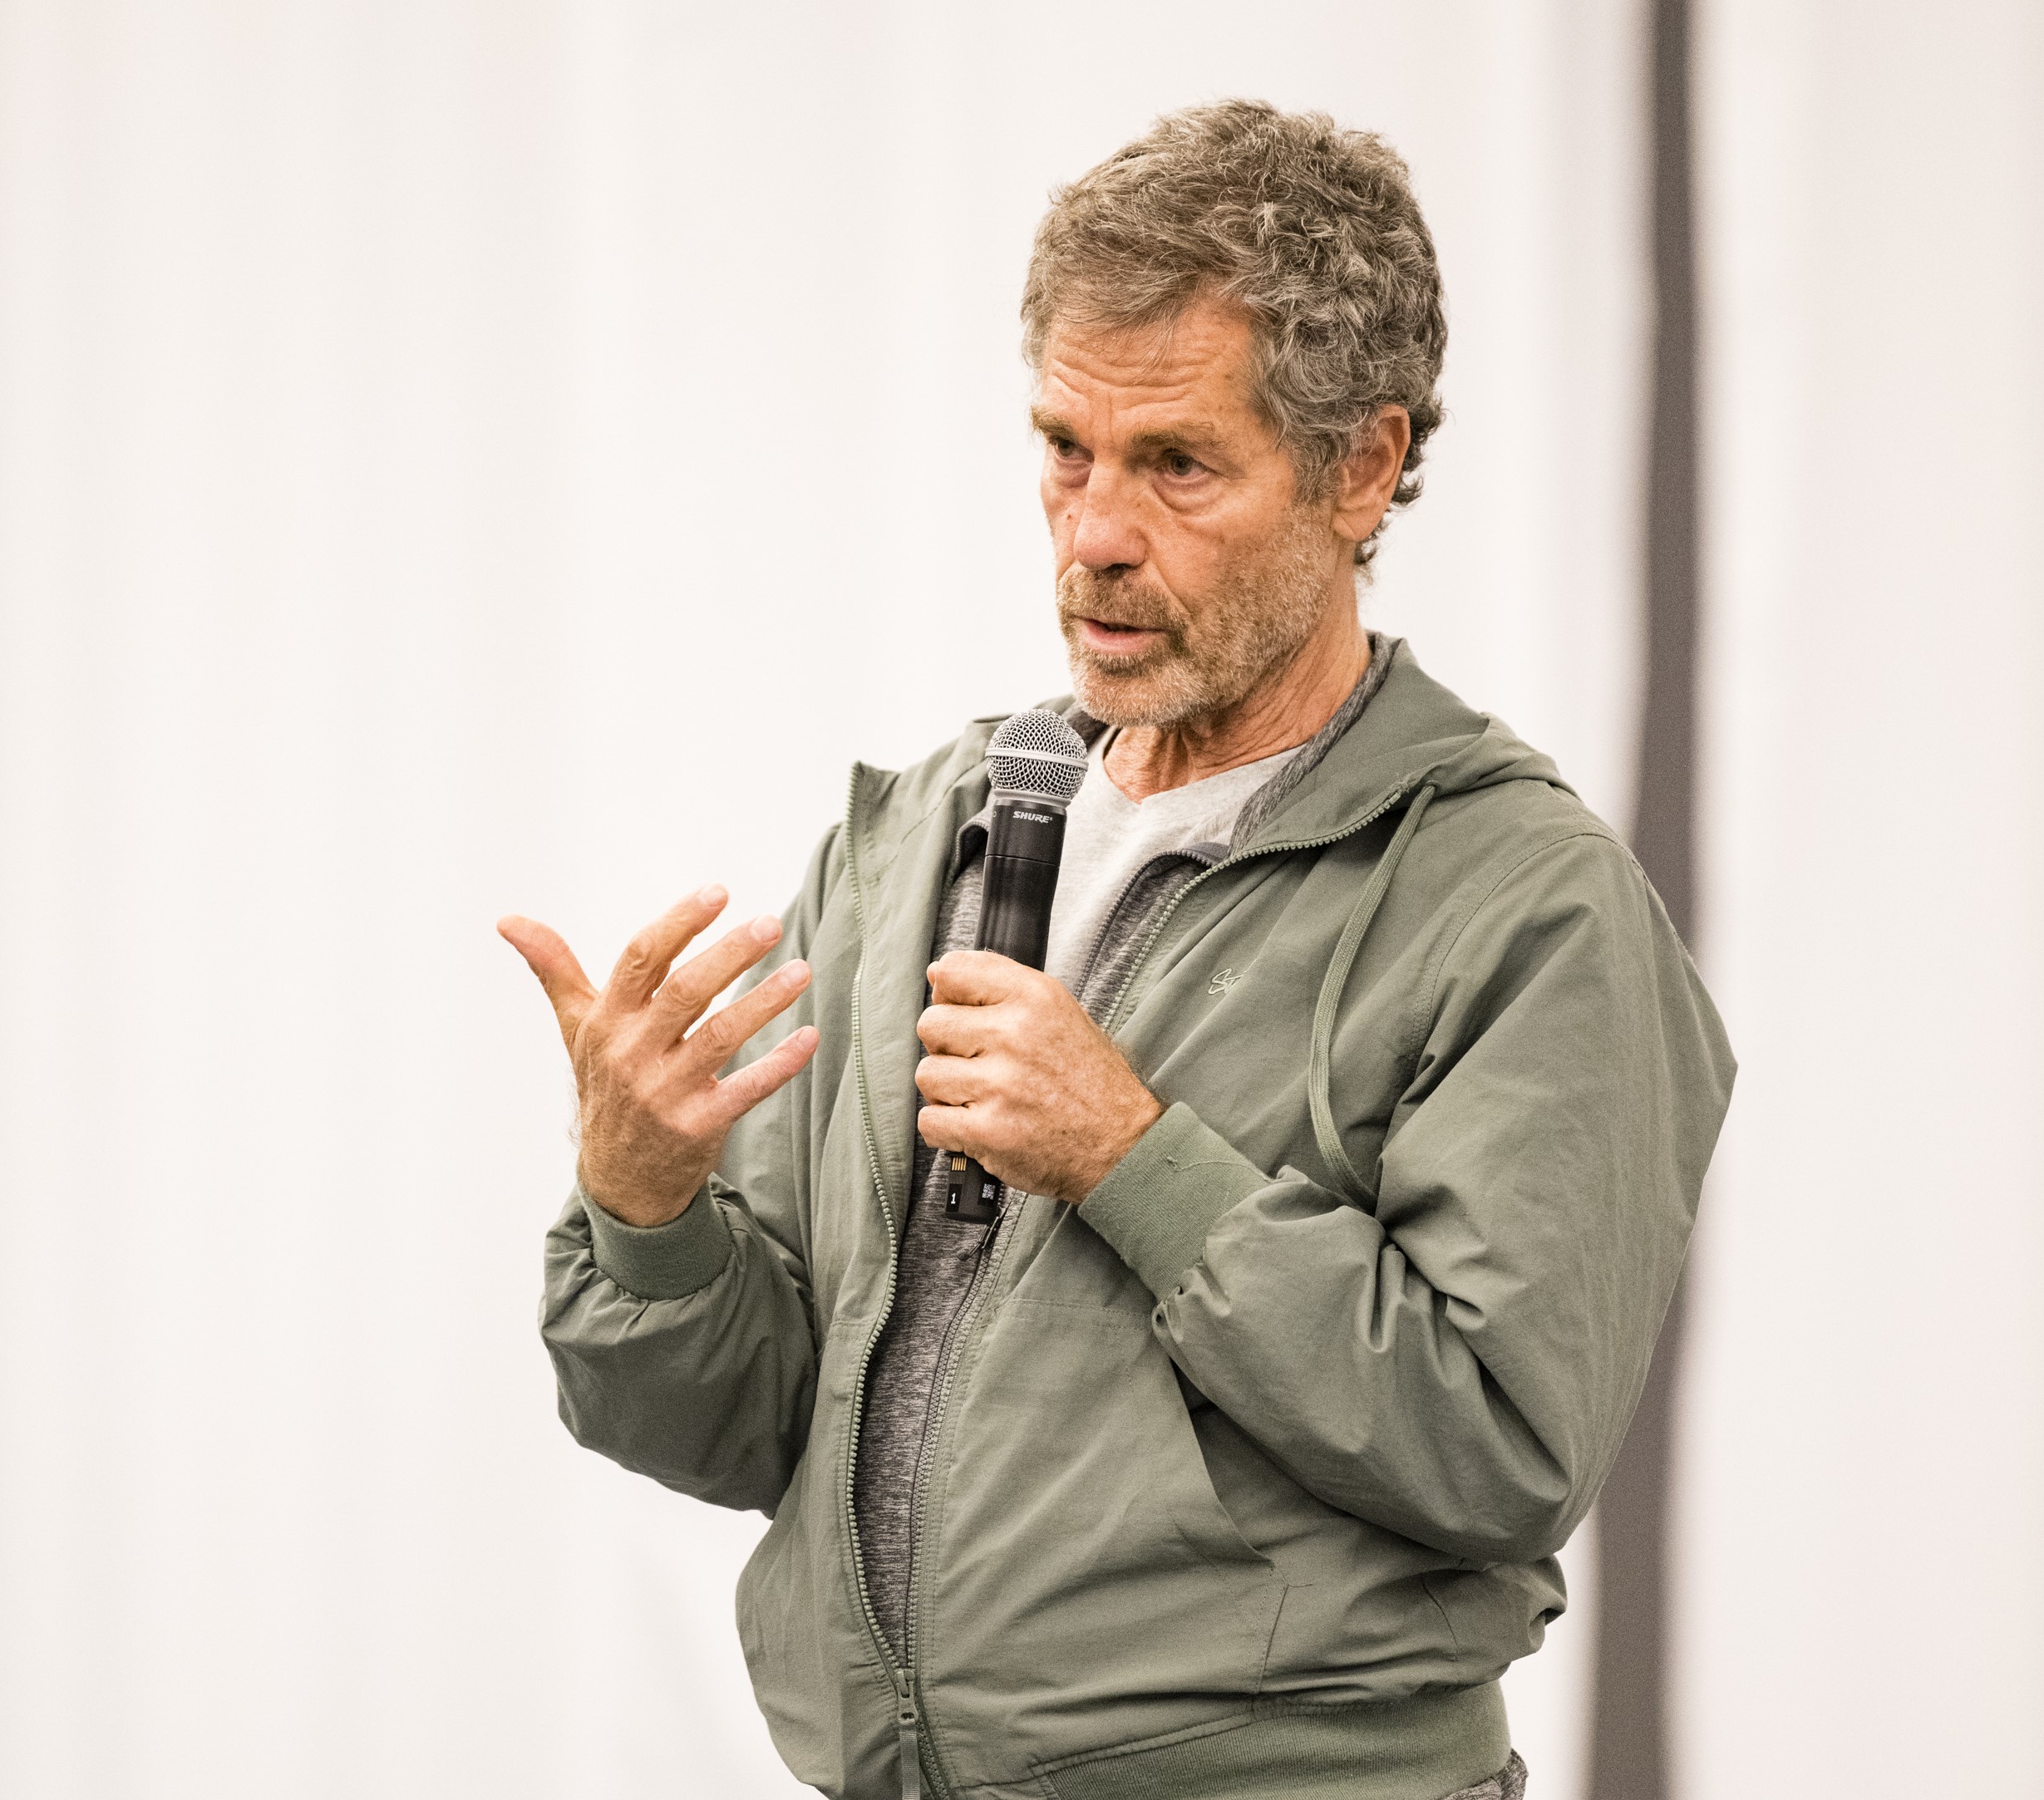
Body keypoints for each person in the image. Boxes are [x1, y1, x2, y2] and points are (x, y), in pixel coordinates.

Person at [503, 100, 1733, 1800]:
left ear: (1358, 467)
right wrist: (646, 1215)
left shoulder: (1518, 902)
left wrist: (1133, 1160)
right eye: (1064, 448)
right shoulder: (920, 840)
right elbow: (743, 1424)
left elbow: (1499, 1446)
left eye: (1174, 464)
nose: (1091, 530)